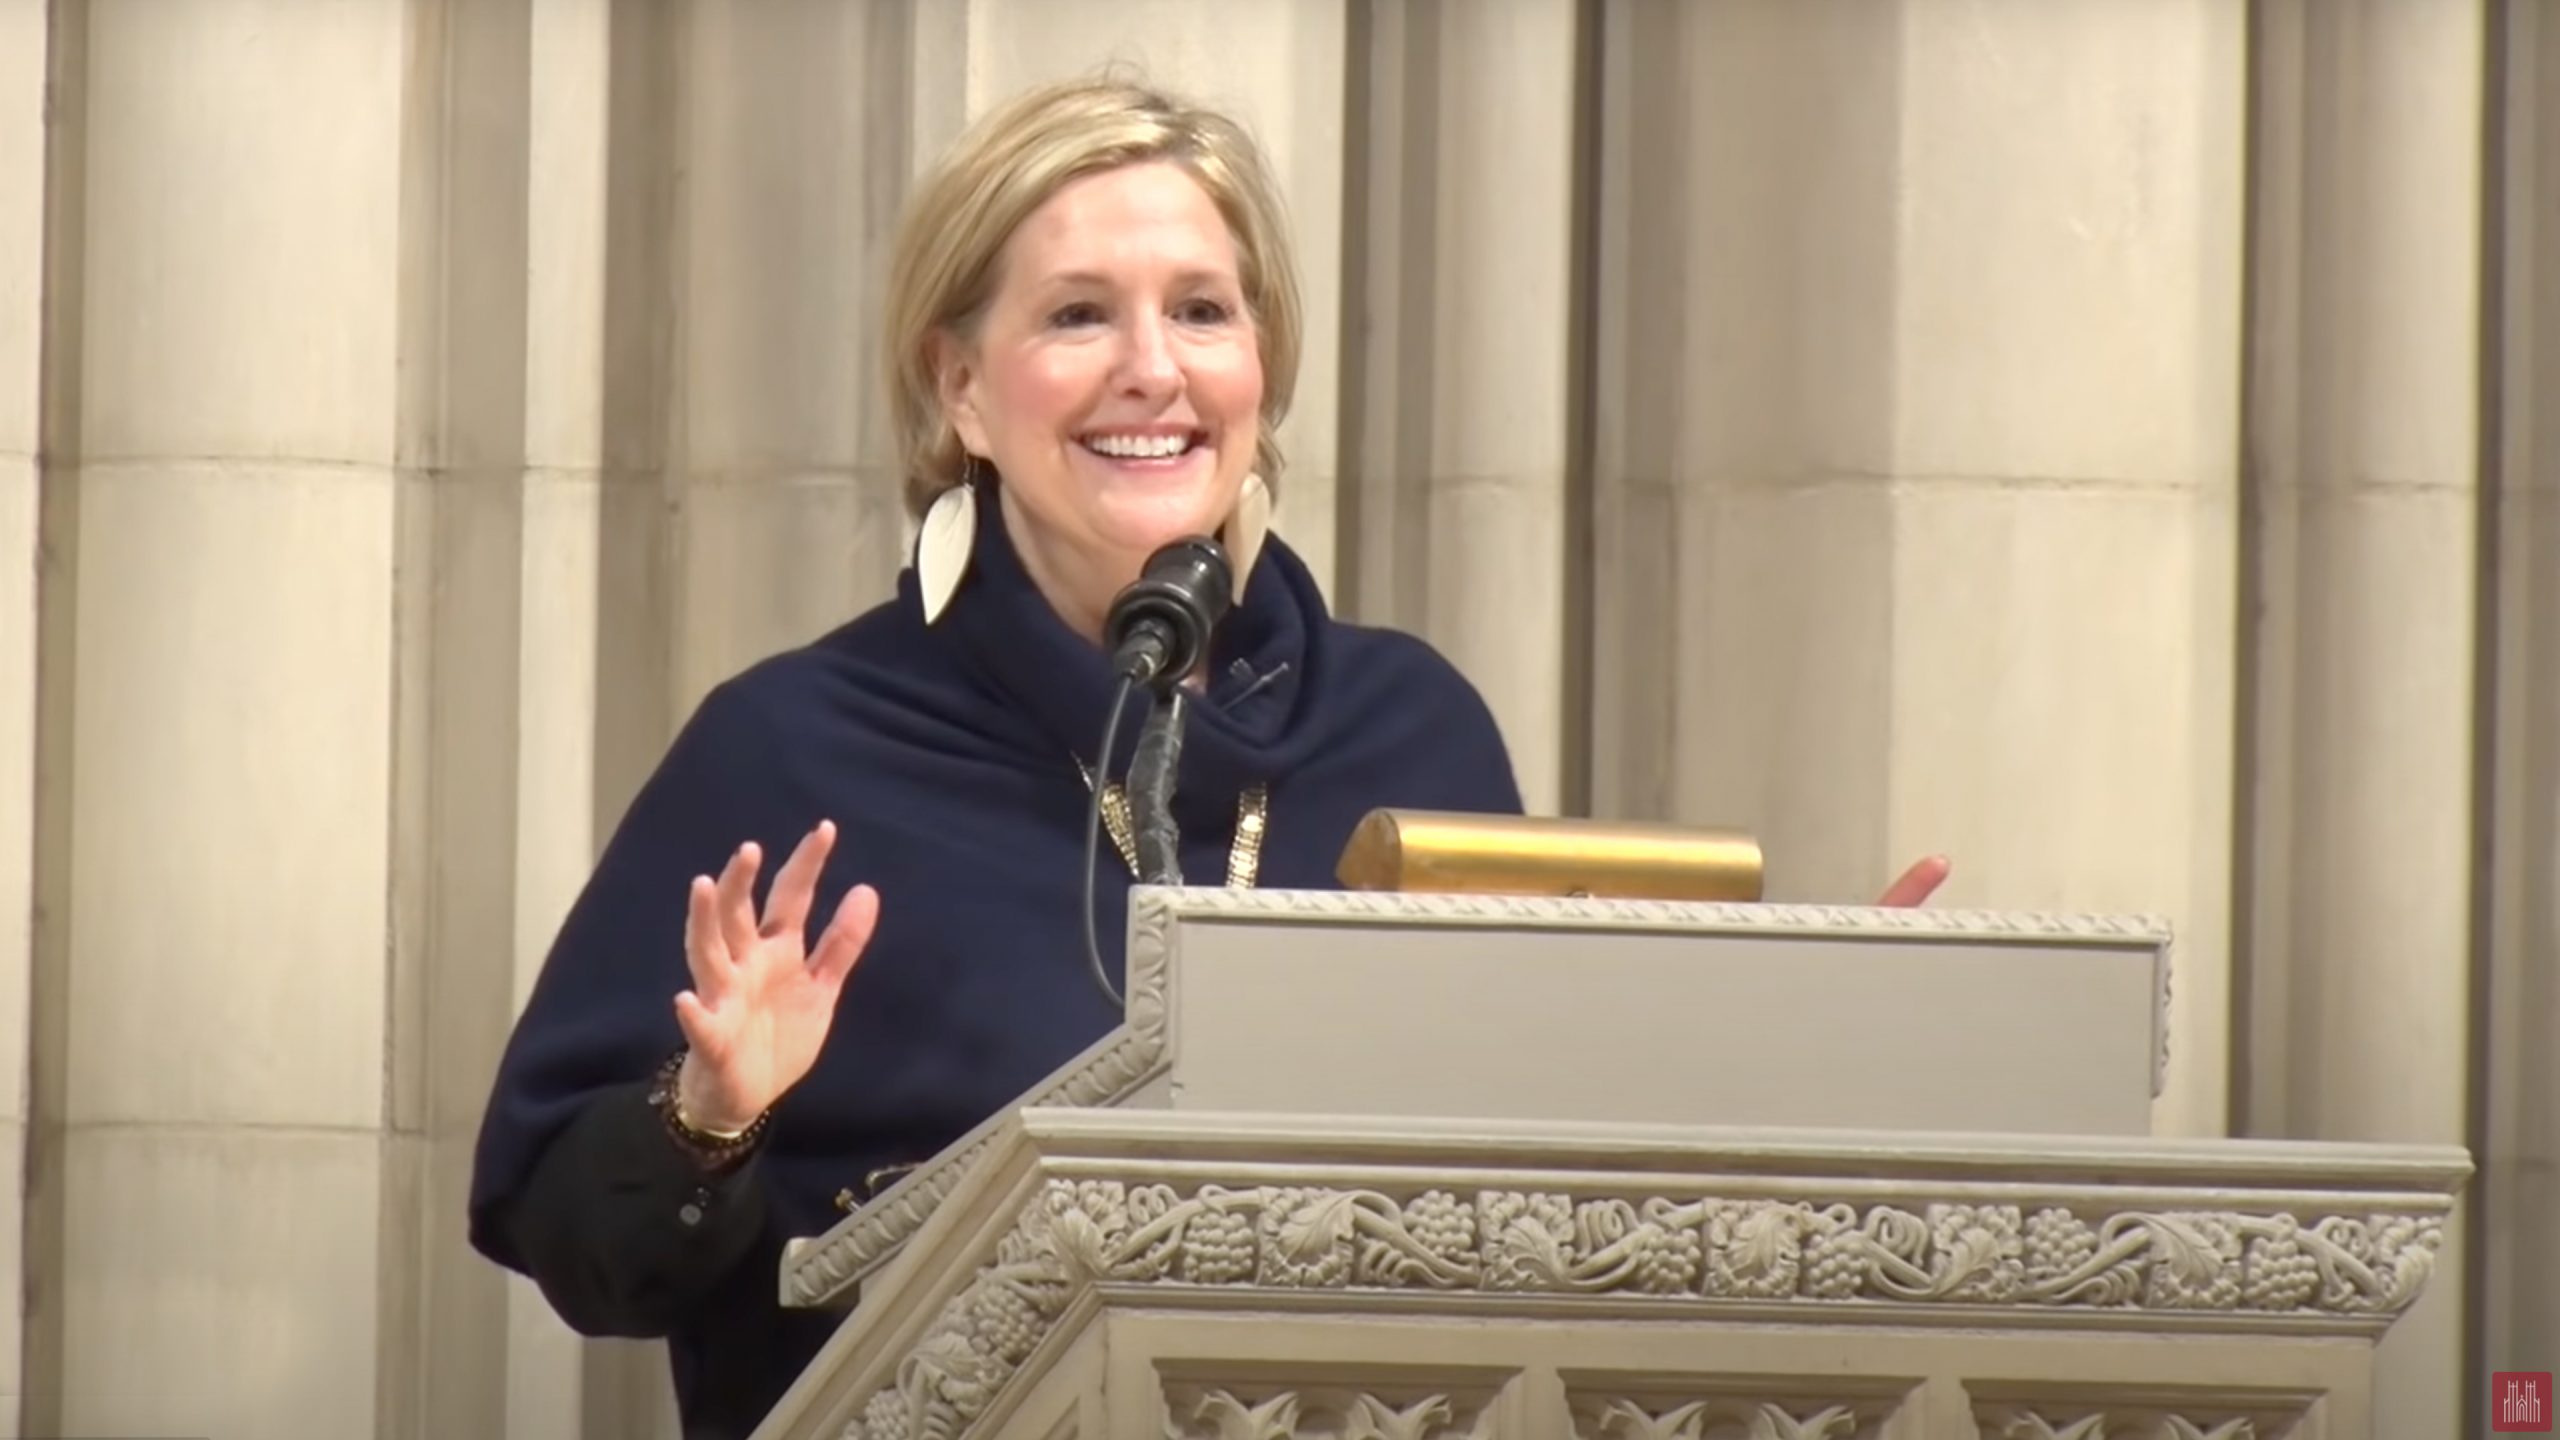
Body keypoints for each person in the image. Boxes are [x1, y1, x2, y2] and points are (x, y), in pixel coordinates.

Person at [466, 74, 1950, 1440]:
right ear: (959, 387)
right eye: (1076, 317)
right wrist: (711, 1117)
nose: (1151, 370)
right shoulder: (797, 749)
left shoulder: (1410, 730)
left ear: (1263, 372)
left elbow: (1559, 1175)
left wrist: (1793, 1078)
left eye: (1201, 311)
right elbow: (575, 1239)